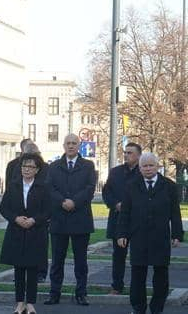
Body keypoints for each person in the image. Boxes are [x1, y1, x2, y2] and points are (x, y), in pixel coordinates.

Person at [117, 153, 184, 314]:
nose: (147, 169)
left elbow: (175, 213)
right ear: (139, 169)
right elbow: (125, 213)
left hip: (160, 237)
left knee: (161, 276)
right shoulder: (131, 186)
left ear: (157, 166)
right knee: (138, 275)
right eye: (144, 166)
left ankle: (157, 308)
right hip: (138, 236)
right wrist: (121, 234)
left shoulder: (169, 186)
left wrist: (177, 234)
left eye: (150, 165)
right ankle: (138, 308)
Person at [44, 134, 96, 306]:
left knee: (81, 261)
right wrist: (62, 201)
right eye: (68, 143)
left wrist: (75, 202)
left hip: (80, 219)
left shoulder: (88, 166)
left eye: (74, 143)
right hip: (59, 219)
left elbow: (89, 189)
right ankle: (54, 293)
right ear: (63, 145)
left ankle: (81, 293)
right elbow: (50, 188)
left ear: (79, 146)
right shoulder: (54, 166)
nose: (71, 146)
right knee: (57, 260)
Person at [0, 153, 50, 314]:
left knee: (33, 269)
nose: (27, 169)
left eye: (30, 167)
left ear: (37, 170)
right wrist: (15, 218)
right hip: (17, 232)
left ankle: (31, 304)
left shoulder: (43, 187)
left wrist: (34, 220)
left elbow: (48, 210)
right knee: (19, 269)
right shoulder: (13, 185)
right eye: (24, 166)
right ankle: (20, 303)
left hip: (36, 231)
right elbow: (4, 208)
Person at [102, 142, 142, 295]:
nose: (126, 155)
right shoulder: (116, 172)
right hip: (118, 220)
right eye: (125, 152)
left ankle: (137, 287)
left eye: (130, 152)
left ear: (139, 155)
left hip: (137, 220)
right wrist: (114, 204)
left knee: (139, 255)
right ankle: (117, 286)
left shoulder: (143, 171)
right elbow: (106, 192)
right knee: (118, 255)